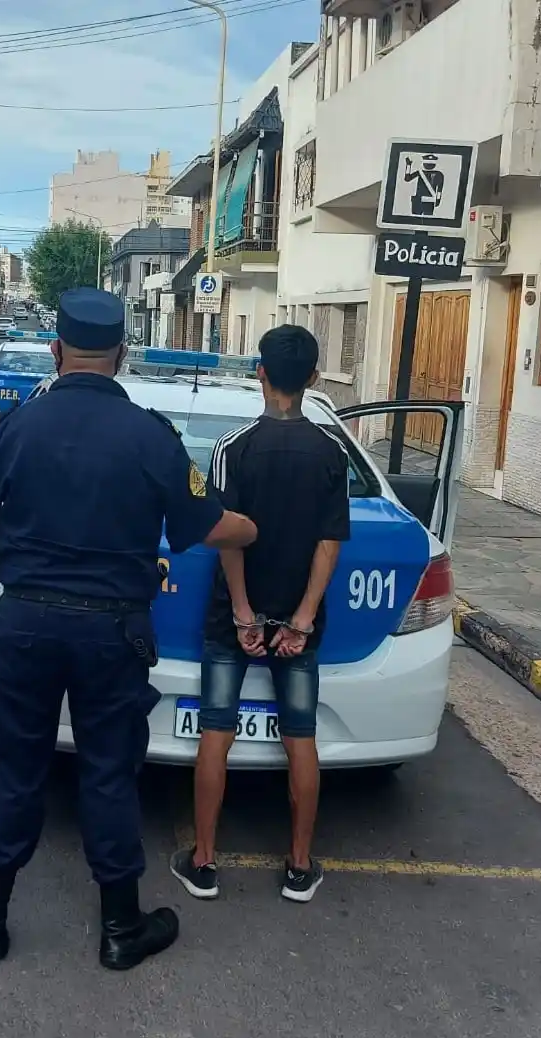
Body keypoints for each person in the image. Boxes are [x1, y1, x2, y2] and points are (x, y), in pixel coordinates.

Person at [0, 288, 257, 970]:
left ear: (56, 351)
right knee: (108, 774)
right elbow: (208, 525)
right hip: (112, 632)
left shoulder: (18, 425)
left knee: (19, 769)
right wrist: (255, 528)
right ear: (122, 355)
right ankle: (120, 927)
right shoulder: (151, 435)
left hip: (26, 626)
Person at [170, 324, 350, 905]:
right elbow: (329, 543)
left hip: (234, 621)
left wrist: (245, 614)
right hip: (298, 626)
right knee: (301, 737)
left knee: (216, 731)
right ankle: (299, 867)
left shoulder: (233, 449)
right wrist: (301, 619)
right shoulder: (331, 452)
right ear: (314, 379)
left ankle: (203, 862)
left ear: (260, 373)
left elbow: (230, 537)